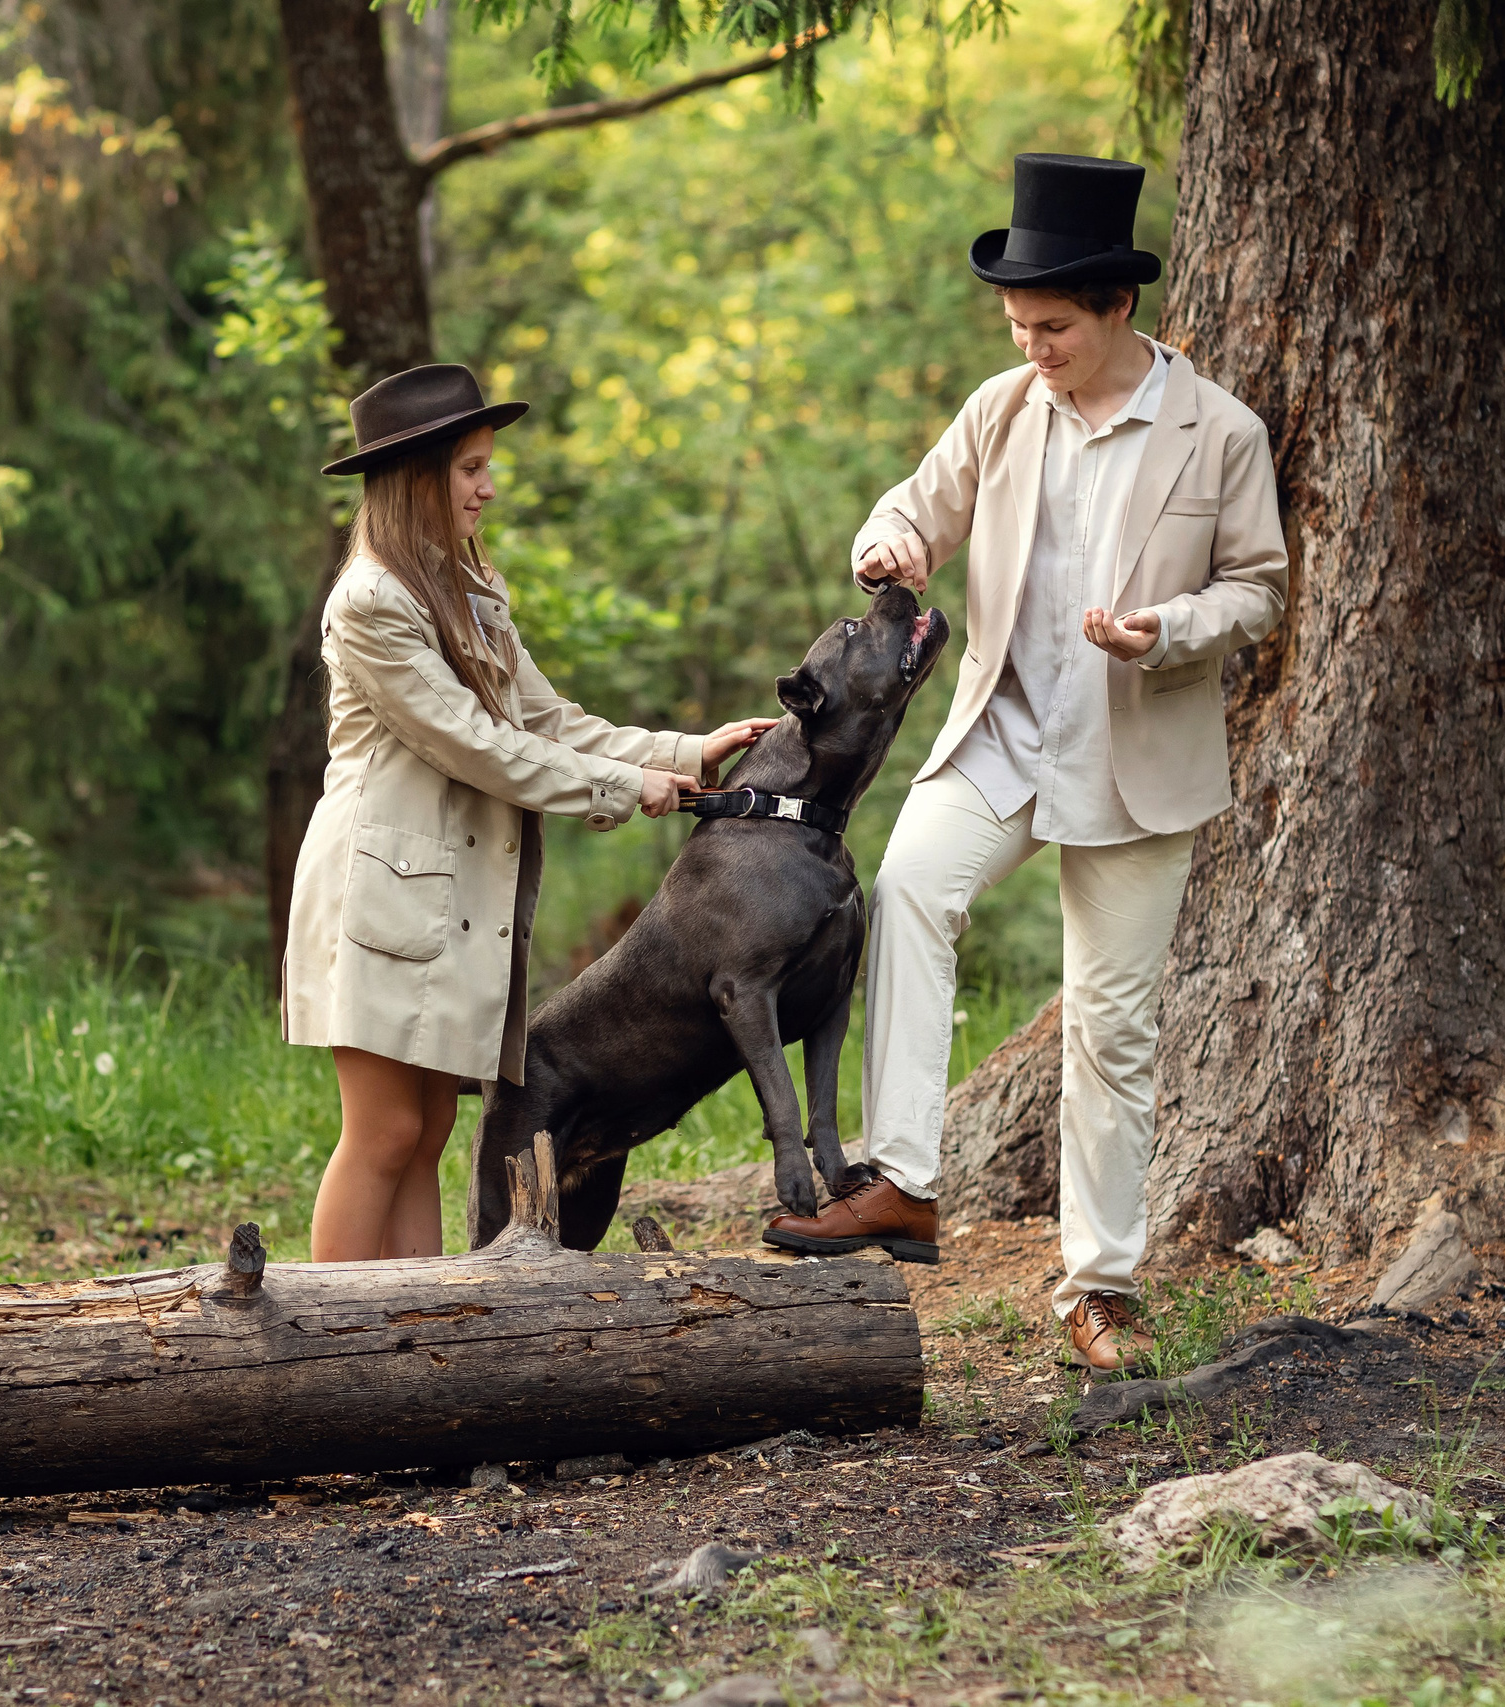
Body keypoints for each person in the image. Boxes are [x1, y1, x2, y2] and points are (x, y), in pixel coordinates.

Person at [760, 154, 1289, 1371]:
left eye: (1051, 326)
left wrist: (1172, 632)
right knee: (906, 892)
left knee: (1110, 1028)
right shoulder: (1002, 408)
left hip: (1135, 751)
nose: (1032, 345)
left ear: (1115, 308)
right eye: (1017, 325)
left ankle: (1100, 1289)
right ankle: (901, 1179)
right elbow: (911, 507)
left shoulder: (1218, 432)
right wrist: (888, 541)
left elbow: (1257, 590)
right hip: (1000, 729)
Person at [286, 363, 777, 1263]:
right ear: (417, 476)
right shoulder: (370, 603)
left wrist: (677, 752)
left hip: (439, 901)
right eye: (471, 468)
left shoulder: (467, 590)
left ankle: (411, 1341)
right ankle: (329, 1357)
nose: (488, 486)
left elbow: (545, 720)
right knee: (384, 1132)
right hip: (382, 895)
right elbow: (475, 743)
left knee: (427, 1131)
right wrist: (623, 789)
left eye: (486, 466)